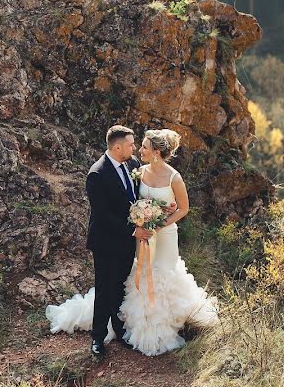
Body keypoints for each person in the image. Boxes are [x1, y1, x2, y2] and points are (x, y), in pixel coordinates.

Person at [46, 127, 219, 357]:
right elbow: (103, 215)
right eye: (131, 144)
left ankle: (121, 329)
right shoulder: (97, 174)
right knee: (105, 289)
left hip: (135, 241)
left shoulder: (133, 165)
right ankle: (97, 338)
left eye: (140, 145)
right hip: (107, 241)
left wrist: (162, 209)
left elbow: (141, 198)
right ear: (117, 147)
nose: (135, 148)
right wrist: (135, 229)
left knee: (121, 287)